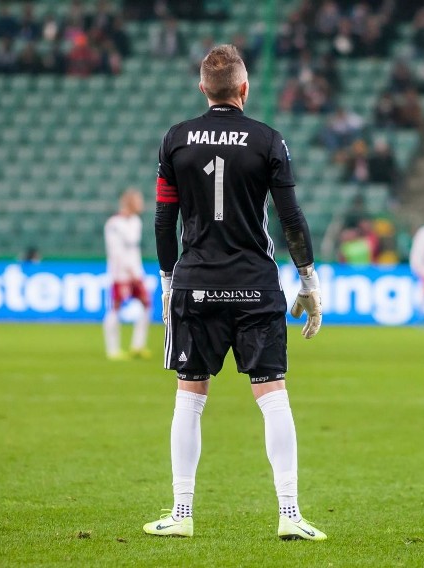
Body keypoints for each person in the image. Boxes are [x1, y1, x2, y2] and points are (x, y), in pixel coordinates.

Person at [147, 45, 326, 541]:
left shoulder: (177, 140)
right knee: (273, 397)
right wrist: (308, 280)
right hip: (255, 286)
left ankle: (181, 515)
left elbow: (164, 219)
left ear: (203, 88)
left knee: (189, 398)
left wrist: (167, 283)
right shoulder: (269, 140)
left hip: (196, 283)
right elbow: (290, 218)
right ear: (244, 89)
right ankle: (290, 514)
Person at [103, 189, 151, 361]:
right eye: (138, 200)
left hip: (136, 271)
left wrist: (137, 271)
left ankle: (138, 346)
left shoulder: (136, 222)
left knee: (146, 304)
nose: (141, 204)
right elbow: (115, 251)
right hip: (121, 274)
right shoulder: (114, 224)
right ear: (130, 202)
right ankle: (113, 349)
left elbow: (133, 250)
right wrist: (128, 271)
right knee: (116, 307)